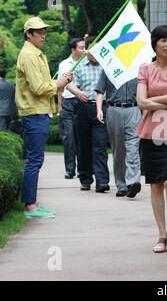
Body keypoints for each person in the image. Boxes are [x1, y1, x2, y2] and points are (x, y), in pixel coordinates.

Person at [136, 25, 167, 254]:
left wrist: (152, 101)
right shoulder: (145, 68)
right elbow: (140, 102)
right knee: (155, 184)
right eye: (164, 41)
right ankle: (162, 234)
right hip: (150, 132)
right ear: (155, 43)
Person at [16, 16, 73, 218]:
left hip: (39, 111)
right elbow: (40, 87)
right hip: (34, 112)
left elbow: (43, 84)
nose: (43, 35)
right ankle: (30, 206)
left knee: (35, 159)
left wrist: (62, 81)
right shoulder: (29, 55)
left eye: (44, 31)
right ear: (28, 34)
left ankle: (31, 202)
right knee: (34, 160)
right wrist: (60, 83)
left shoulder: (36, 54)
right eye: (38, 32)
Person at [67, 36, 110, 193]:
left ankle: (102, 181)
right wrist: (78, 93)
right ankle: (85, 179)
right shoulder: (79, 65)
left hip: (101, 109)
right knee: (83, 146)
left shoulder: (106, 66)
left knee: (100, 145)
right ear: (88, 50)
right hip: (83, 108)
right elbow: (67, 82)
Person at [95, 73, 142, 198]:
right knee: (118, 149)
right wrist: (99, 109)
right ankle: (121, 185)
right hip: (114, 109)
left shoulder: (137, 68)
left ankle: (133, 182)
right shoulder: (109, 68)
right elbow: (100, 91)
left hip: (134, 109)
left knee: (133, 147)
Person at [58, 37, 86, 179]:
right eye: (81, 47)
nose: (84, 50)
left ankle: (84, 169)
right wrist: (60, 106)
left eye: (84, 47)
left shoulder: (87, 62)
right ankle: (70, 169)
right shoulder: (65, 64)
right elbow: (60, 85)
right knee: (69, 138)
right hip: (68, 102)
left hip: (84, 102)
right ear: (73, 50)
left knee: (83, 137)